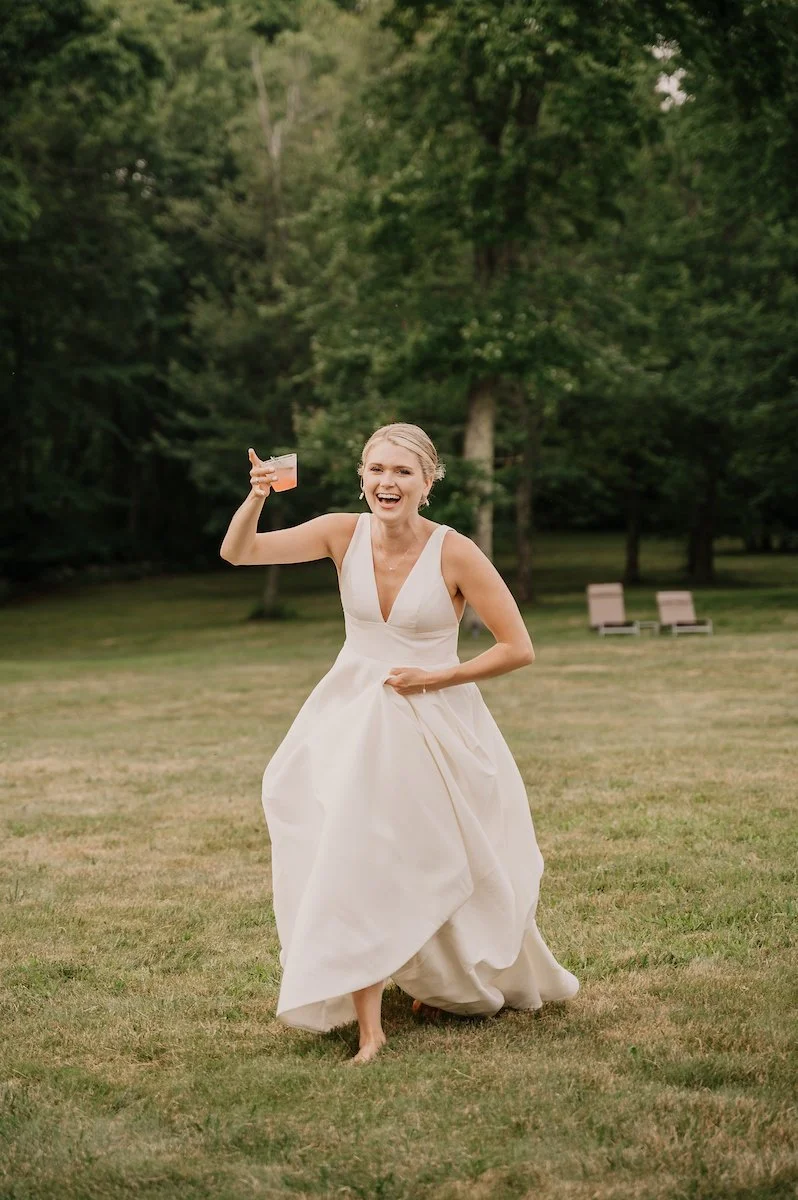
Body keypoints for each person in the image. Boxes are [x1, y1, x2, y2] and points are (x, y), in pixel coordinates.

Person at [220, 422, 579, 1064]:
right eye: (377, 469)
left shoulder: (456, 552)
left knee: (430, 857)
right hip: (351, 717)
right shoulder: (340, 532)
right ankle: (368, 1025)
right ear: (362, 477)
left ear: (427, 483)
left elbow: (517, 647)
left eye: (403, 472)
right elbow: (238, 553)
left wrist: (436, 677)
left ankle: (442, 981)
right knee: (350, 852)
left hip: (432, 722)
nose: (388, 482)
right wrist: (257, 497)